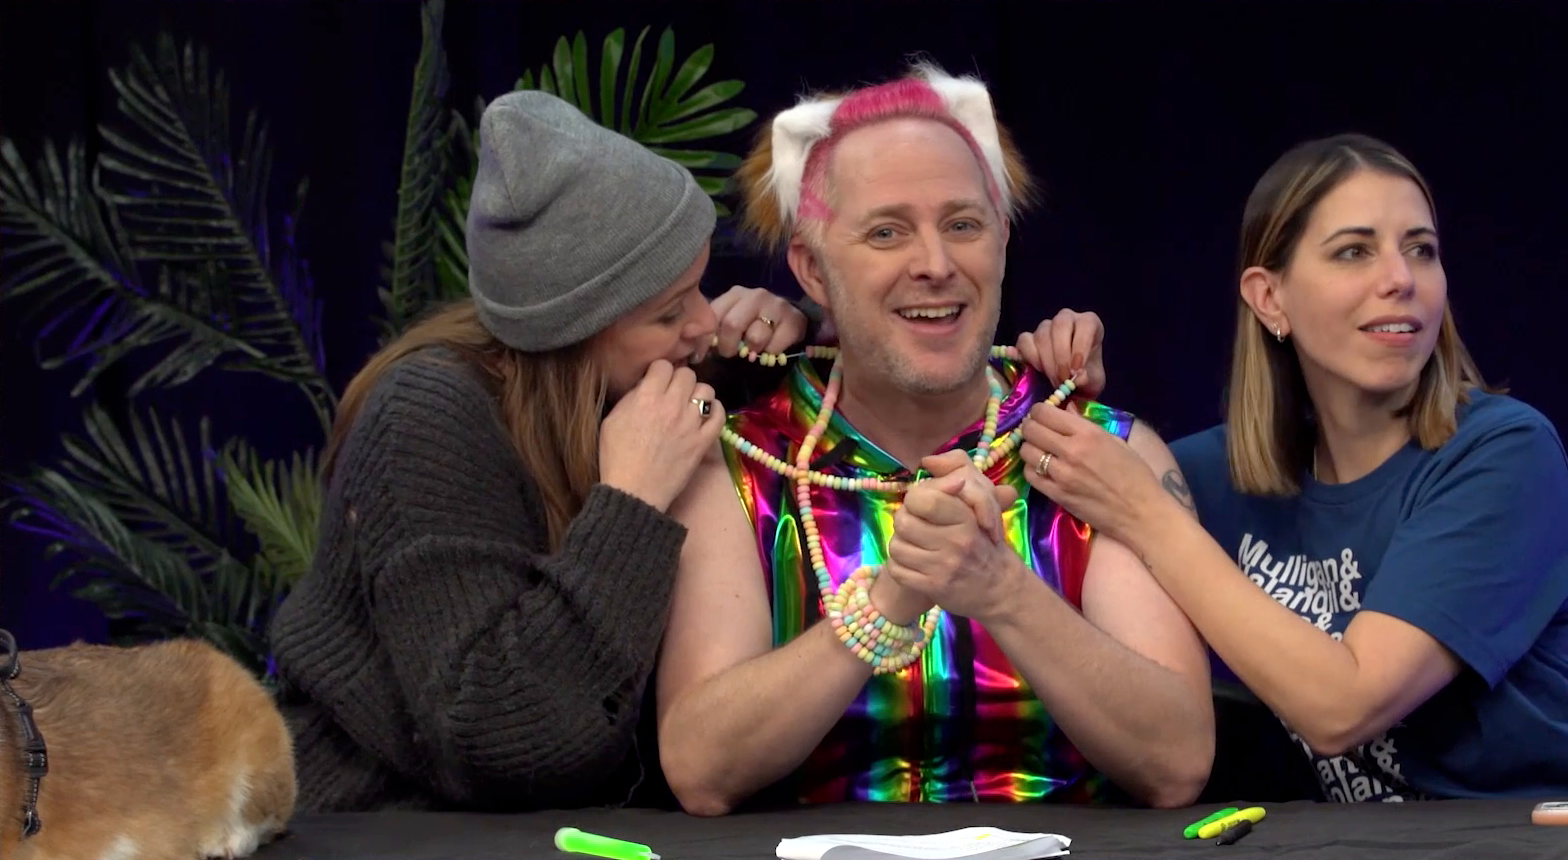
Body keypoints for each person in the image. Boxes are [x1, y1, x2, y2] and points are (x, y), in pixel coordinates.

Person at [1015, 133, 1568, 802]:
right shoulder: (1222, 476)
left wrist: (1149, 516)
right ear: (1269, 298)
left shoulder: (1505, 455)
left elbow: (1345, 707)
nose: (1400, 278)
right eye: (1355, 252)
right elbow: (1093, 471)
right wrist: (1061, 392)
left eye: (1420, 249)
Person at [651, 63, 1215, 817]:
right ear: (811, 270)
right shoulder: (739, 464)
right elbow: (700, 769)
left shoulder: (1100, 451)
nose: (936, 265)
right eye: (886, 232)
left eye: (962, 225)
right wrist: (886, 602)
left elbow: (1177, 763)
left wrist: (1002, 589)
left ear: (1003, 243)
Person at [266, 88, 840, 814]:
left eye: (700, 288)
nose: (702, 323)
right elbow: (501, 742)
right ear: (574, 333)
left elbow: (847, 390)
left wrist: (800, 326)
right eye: (670, 311)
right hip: (379, 825)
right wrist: (630, 504)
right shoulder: (427, 421)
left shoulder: (632, 378)